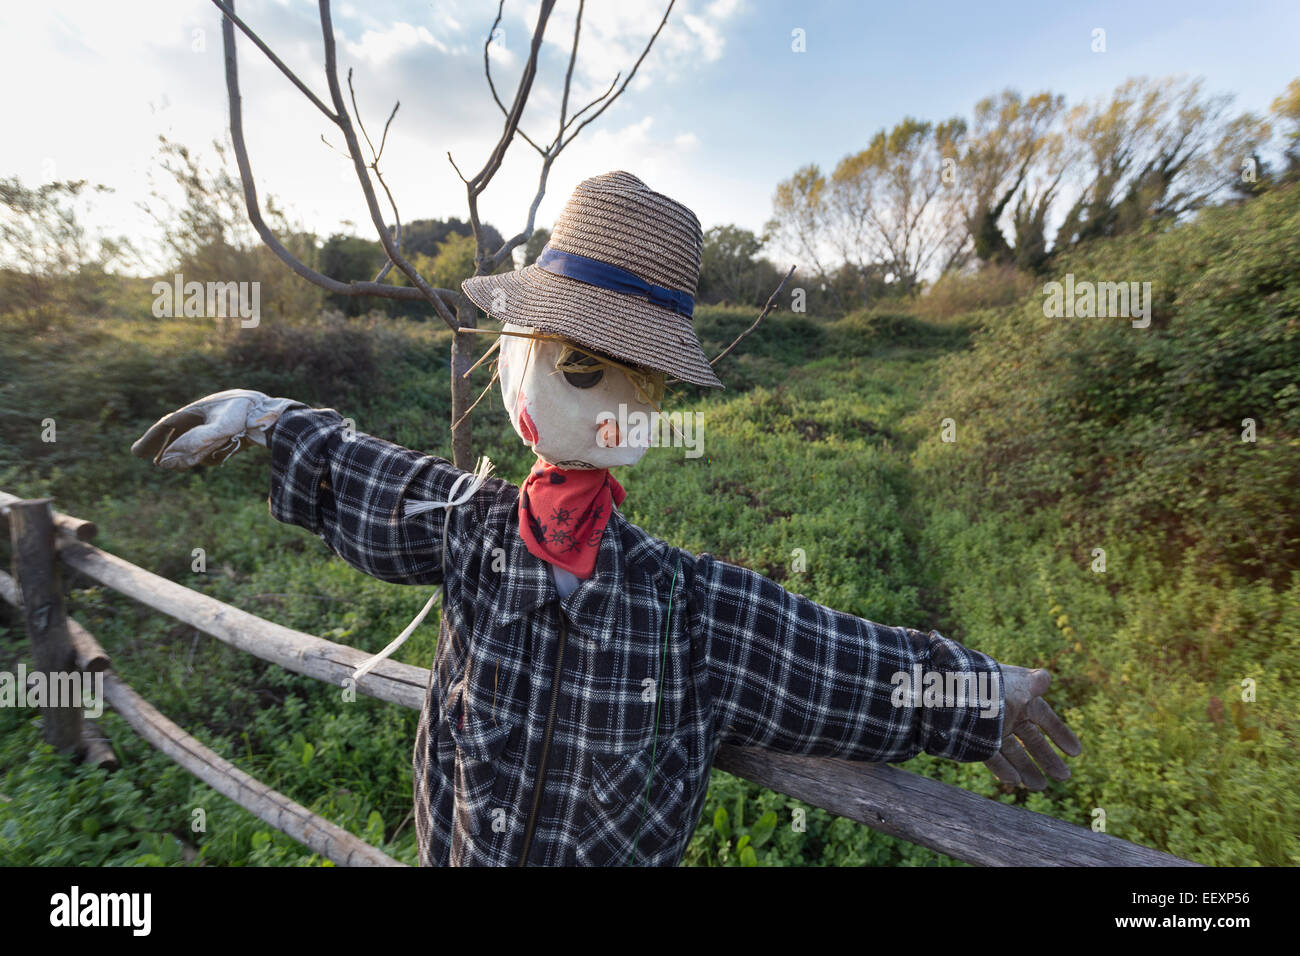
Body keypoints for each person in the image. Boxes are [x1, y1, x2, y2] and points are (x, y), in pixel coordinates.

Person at [132, 171, 1080, 867]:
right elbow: (388, 485)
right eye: (573, 364)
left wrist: (978, 696)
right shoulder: (475, 537)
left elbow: (836, 660)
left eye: (640, 378)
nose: (610, 405)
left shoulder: (687, 612)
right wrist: (271, 419)